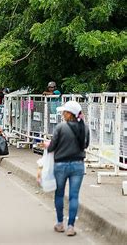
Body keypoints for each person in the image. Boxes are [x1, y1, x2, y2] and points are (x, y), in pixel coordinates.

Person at [41, 101, 89, 237]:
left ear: (70, 114)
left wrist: (47, 145)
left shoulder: (61, 127)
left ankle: (60, 223)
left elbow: (52, 147)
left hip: (60, 165)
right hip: (78, 165)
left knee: (60, 194)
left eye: (65, 112)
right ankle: (71, 226)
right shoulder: (84, 128)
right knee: (74, 196)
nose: (62, 114)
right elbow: (86, 145)